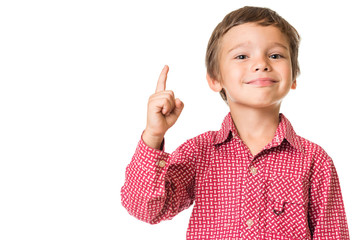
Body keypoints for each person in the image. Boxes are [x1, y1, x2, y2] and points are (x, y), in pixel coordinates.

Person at [121, 6, 350, 240]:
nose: (261, 64)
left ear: (293, 77)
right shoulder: (199, 152)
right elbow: (146, 209)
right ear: (215, 79)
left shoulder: (314, 160)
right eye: (242, 56)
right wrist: (153, 135)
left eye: (275, 55)